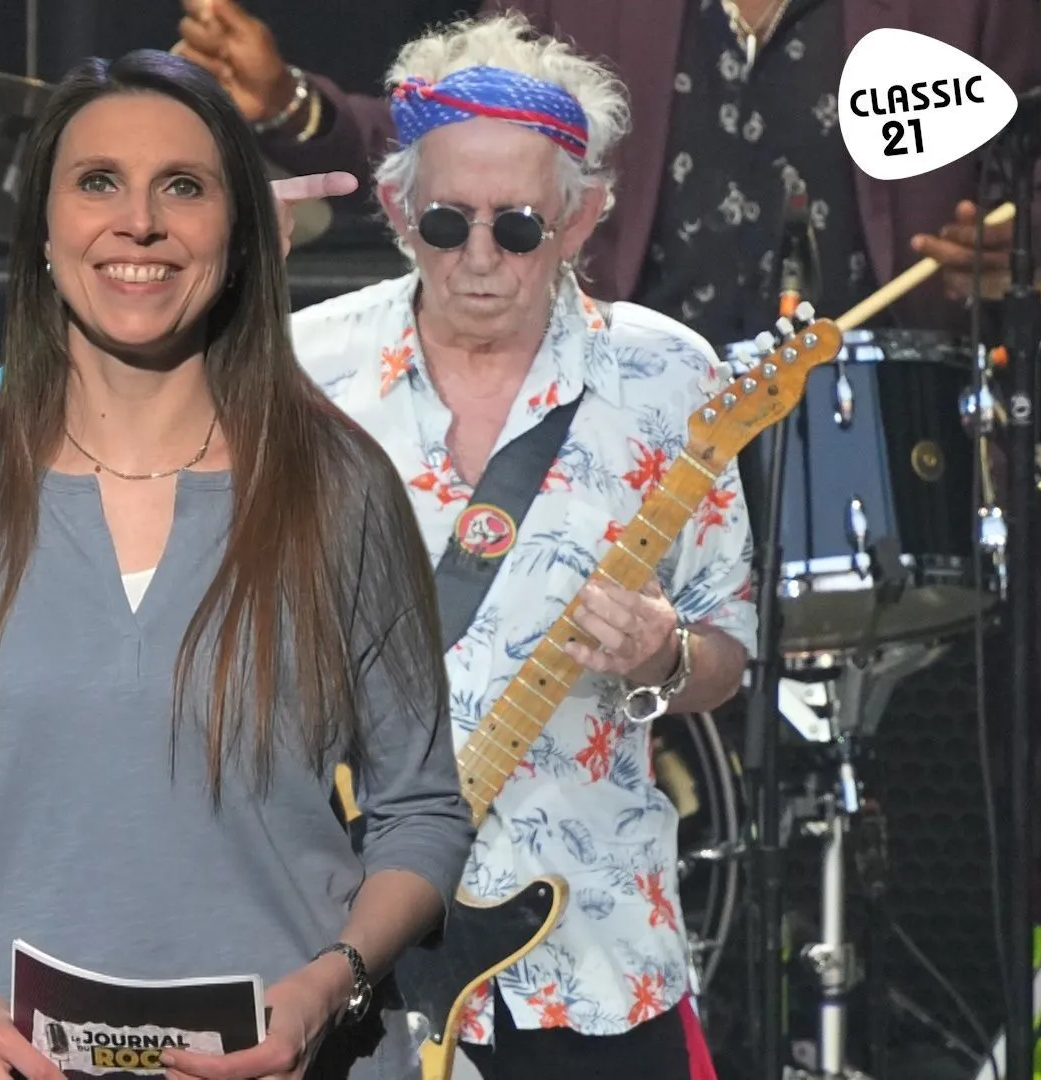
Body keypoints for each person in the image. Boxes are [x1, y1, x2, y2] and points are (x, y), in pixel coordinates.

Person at [0, 48, 476, 1080]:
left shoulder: (337, 485)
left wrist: (331, 986)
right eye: (99, 182)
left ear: (238, 232)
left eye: (182, 186)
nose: (138, 222)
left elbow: (422, 814)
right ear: (43, 231)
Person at [285, 17, 756, 1079]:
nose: (480, 258)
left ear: (583, 216)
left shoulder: (671, 379)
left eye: (520, 227)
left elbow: (726, 655)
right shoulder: (303, 369)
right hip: (339, 937)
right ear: (397, 210)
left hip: (591, 953)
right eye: (446, 222)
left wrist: (662, 653)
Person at [177, 0, 1041, 345]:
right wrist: (291, 104)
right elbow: (455, 137)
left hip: (885, 421)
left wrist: (1018, 244)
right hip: (633, 414)